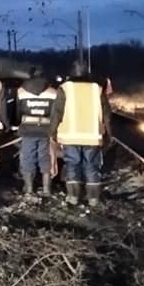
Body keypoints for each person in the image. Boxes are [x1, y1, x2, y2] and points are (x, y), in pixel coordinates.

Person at [49, 61, 111, 206]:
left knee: (72, 166)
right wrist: (109, 134)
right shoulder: (97, 89)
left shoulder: (65, 88)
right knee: (92, 167)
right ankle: (93, 199)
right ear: (87, 73)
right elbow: (107, 114)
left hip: (70, 137)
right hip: (92, 137)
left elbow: (56, 113)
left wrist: (52, 132)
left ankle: (73, 197)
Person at [17, 71, 58, 198]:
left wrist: (18, 124)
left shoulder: (21, 91)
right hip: (45, 130)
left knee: (28, 157)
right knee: (45, 158)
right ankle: (46, 189)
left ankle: (29, 189)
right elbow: (55, 113)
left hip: (28, 129)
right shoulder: (53, 92)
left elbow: (17, 111)